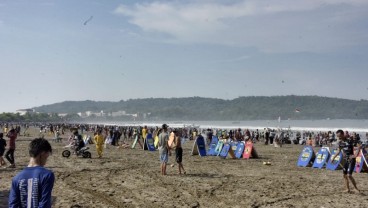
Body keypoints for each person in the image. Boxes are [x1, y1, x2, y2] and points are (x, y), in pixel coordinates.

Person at [9, 138, 54, 208]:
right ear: (42, 153)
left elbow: (12, 205)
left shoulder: (16, 178)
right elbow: (44, 204)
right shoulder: (47, 175)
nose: (46, 159)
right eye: (47, 155)